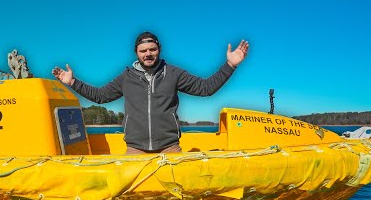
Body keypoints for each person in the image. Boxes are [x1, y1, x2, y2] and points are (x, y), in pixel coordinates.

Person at [51, 31, 249, 154]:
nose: (148, 54)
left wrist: (230, 65)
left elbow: (206, 88)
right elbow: (100, 96)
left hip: (170, 148)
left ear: (159, 49)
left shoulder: (173, 73)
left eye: (152, 49)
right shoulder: (126, 77)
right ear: (136, 52)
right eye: (143, 50)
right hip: (135, 149)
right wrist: (73, 82)